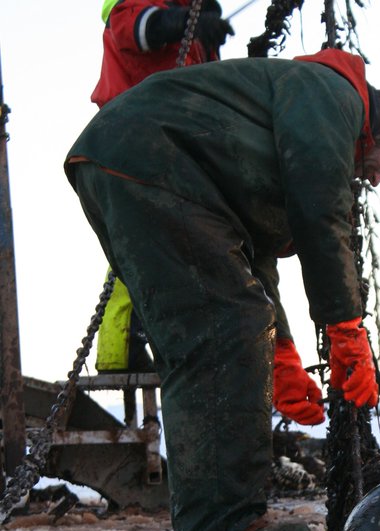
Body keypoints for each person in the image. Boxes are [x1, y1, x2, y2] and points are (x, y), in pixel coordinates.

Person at [65, 48, 380, 531]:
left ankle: (203, 522)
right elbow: (321, 216)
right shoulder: (336, 95)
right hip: (153, 160)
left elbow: (256, 261)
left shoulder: (282, 120)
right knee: (221, 330)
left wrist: (284, 354)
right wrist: (346, 329)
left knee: (210, 327)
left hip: (127, 161)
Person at [92, 0, 234, 376]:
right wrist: (186, 22)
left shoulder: (192, 21)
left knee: (149, 246)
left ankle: (129, 345)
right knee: (138, 245)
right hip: (132, 137)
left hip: (163, 142)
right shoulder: (136, 8)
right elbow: (141, 28)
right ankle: (120, 348)